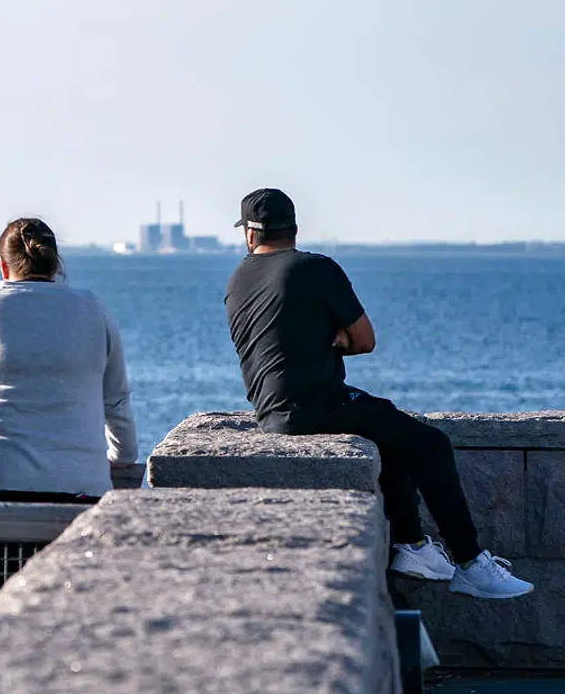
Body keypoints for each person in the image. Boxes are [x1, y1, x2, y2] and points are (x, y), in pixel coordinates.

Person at [223, 188, 531, 599]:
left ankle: (413, 545)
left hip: (271, 414)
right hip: (317, 407)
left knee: (386, 429)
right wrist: (335, 340)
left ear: (250, 235)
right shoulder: (315, 269)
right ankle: (471, 563)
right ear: (294, 228)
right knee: (431, 444)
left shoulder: (238, 279)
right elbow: (365, 340)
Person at [0, 217, 138, 598]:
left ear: (2, 266)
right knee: (69, 606)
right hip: (74, 486)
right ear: (56, 263)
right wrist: (123, 454)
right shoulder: (91, 307)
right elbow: (115, 399)